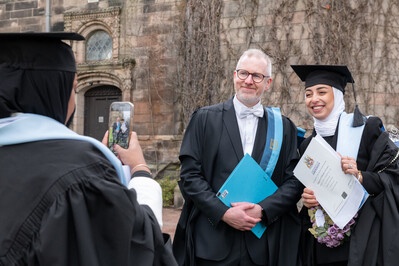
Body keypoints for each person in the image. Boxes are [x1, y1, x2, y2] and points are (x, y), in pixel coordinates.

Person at [0, 32, 177, 266]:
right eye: (73, 88)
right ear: (52, 91)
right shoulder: (81, 172)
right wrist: (140, 171)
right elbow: (135, 247)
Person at [173, 48, 303, 266]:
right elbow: (190, 176)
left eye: (257, 76)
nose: (248, 81)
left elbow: (294, 181)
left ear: (268, 83)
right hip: (213, 243)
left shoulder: (285, 127)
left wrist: (264, 210)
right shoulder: (204, 119)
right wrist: (223, 212)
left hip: (264, 246)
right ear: (234, 75)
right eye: (243, 73)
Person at [291, 64, 399, 266]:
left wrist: (360, 176)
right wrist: (307, 200)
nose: (314, 99)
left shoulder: (366, 129)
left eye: (322, 92)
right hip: (320, 247)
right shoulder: (307, 145)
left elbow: (391, 178)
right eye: (308, 94)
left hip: (364, 245)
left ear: (338, 95)